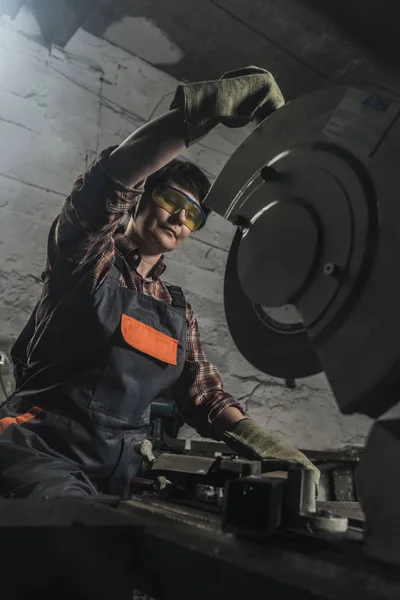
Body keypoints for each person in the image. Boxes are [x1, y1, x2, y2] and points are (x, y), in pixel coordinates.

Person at [0, 67, 319, 498]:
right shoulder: (89, 260)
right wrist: (199, 115)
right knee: (74, 538)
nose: (179, 219)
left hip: (117, 473)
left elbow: (204, 395)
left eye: (193, 216)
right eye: (172, 200)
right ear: (143, 197)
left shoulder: (177, 310)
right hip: (38, 452)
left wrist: (268, 446)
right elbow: (104, 190)